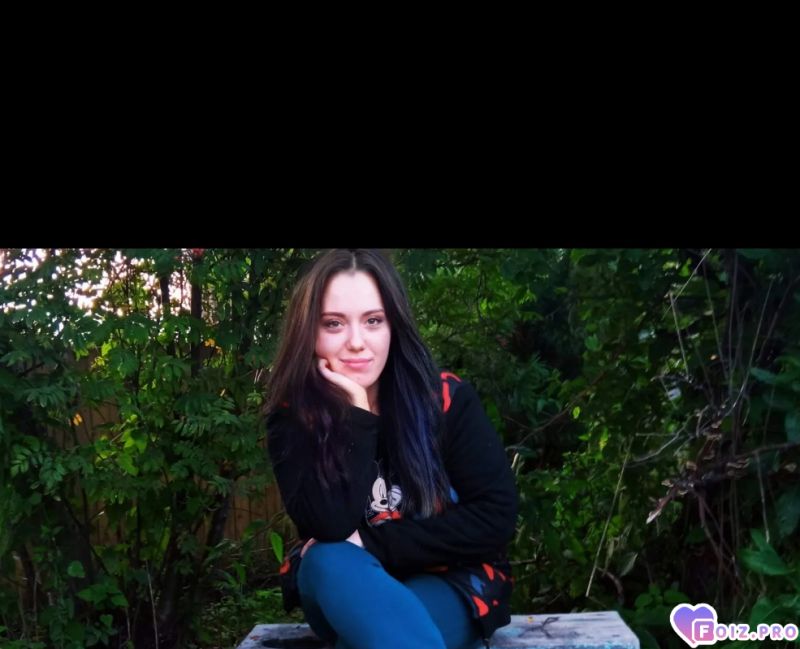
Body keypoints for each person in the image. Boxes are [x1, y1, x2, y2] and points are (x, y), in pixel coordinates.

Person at [265, 249, 518, 649]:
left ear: (393, 325)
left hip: (448, 581)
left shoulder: (445, 401)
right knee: (327, 557)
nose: (356, 342)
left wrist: (374, 543)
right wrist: (357, 416)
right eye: (333, 323)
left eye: (373, 321)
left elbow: (495, 517)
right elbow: (328, 528)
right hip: (343, 584)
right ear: (308, 332)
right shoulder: (295, 418)